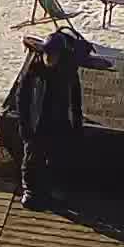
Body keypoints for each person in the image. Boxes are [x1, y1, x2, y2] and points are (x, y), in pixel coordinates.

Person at [10, 29, 85, 208]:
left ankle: (55, 188)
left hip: (59, 118)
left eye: (54, 55)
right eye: (48, 55)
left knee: (59, 156)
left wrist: (77, 121)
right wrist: (24, 122)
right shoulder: (34, 70)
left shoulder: (68, 70)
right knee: (32, 156)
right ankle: (30, 189)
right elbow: (22, 96)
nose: (50, 59)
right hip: (37, 119)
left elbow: (75, 97)